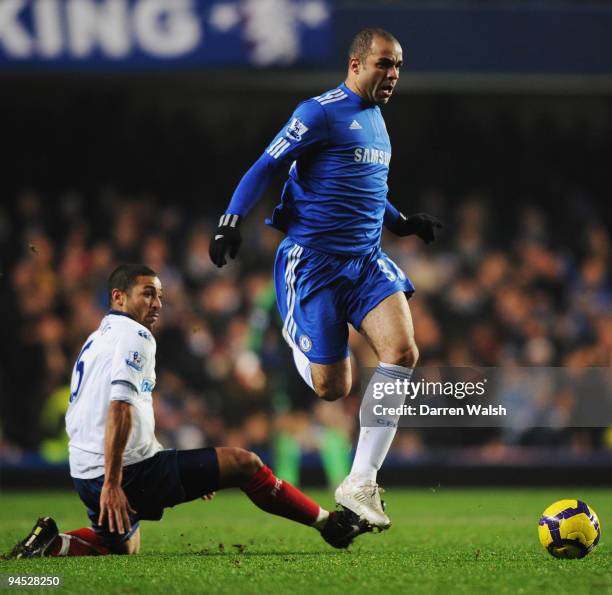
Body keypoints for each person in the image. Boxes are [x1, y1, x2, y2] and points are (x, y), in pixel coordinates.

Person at [209, 28, 442, 530]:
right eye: (384, 64)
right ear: (355, 64)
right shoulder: (318, 112)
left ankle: (360, 482)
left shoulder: (378, 121)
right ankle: (301, 339)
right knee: (333, 388)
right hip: (312, 265)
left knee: (403, 352)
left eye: (398, 65)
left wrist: (401, 223)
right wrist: (231, 220)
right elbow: (265, 165)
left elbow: (366, 186)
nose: (393, 74)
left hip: (365, 261)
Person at [9, 264, 369, 558]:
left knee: (121, 545)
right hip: (121, 474)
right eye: (147, 293)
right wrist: (113, 483)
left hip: (84, 471)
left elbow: (112, 410)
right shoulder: (136, 337)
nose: (157, 303)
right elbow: (118, 408)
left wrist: (169, 469)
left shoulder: (97, 337)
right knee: (245, 465)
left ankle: (51, 543)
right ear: (118, 297)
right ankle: (330, 524)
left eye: (160, 295)